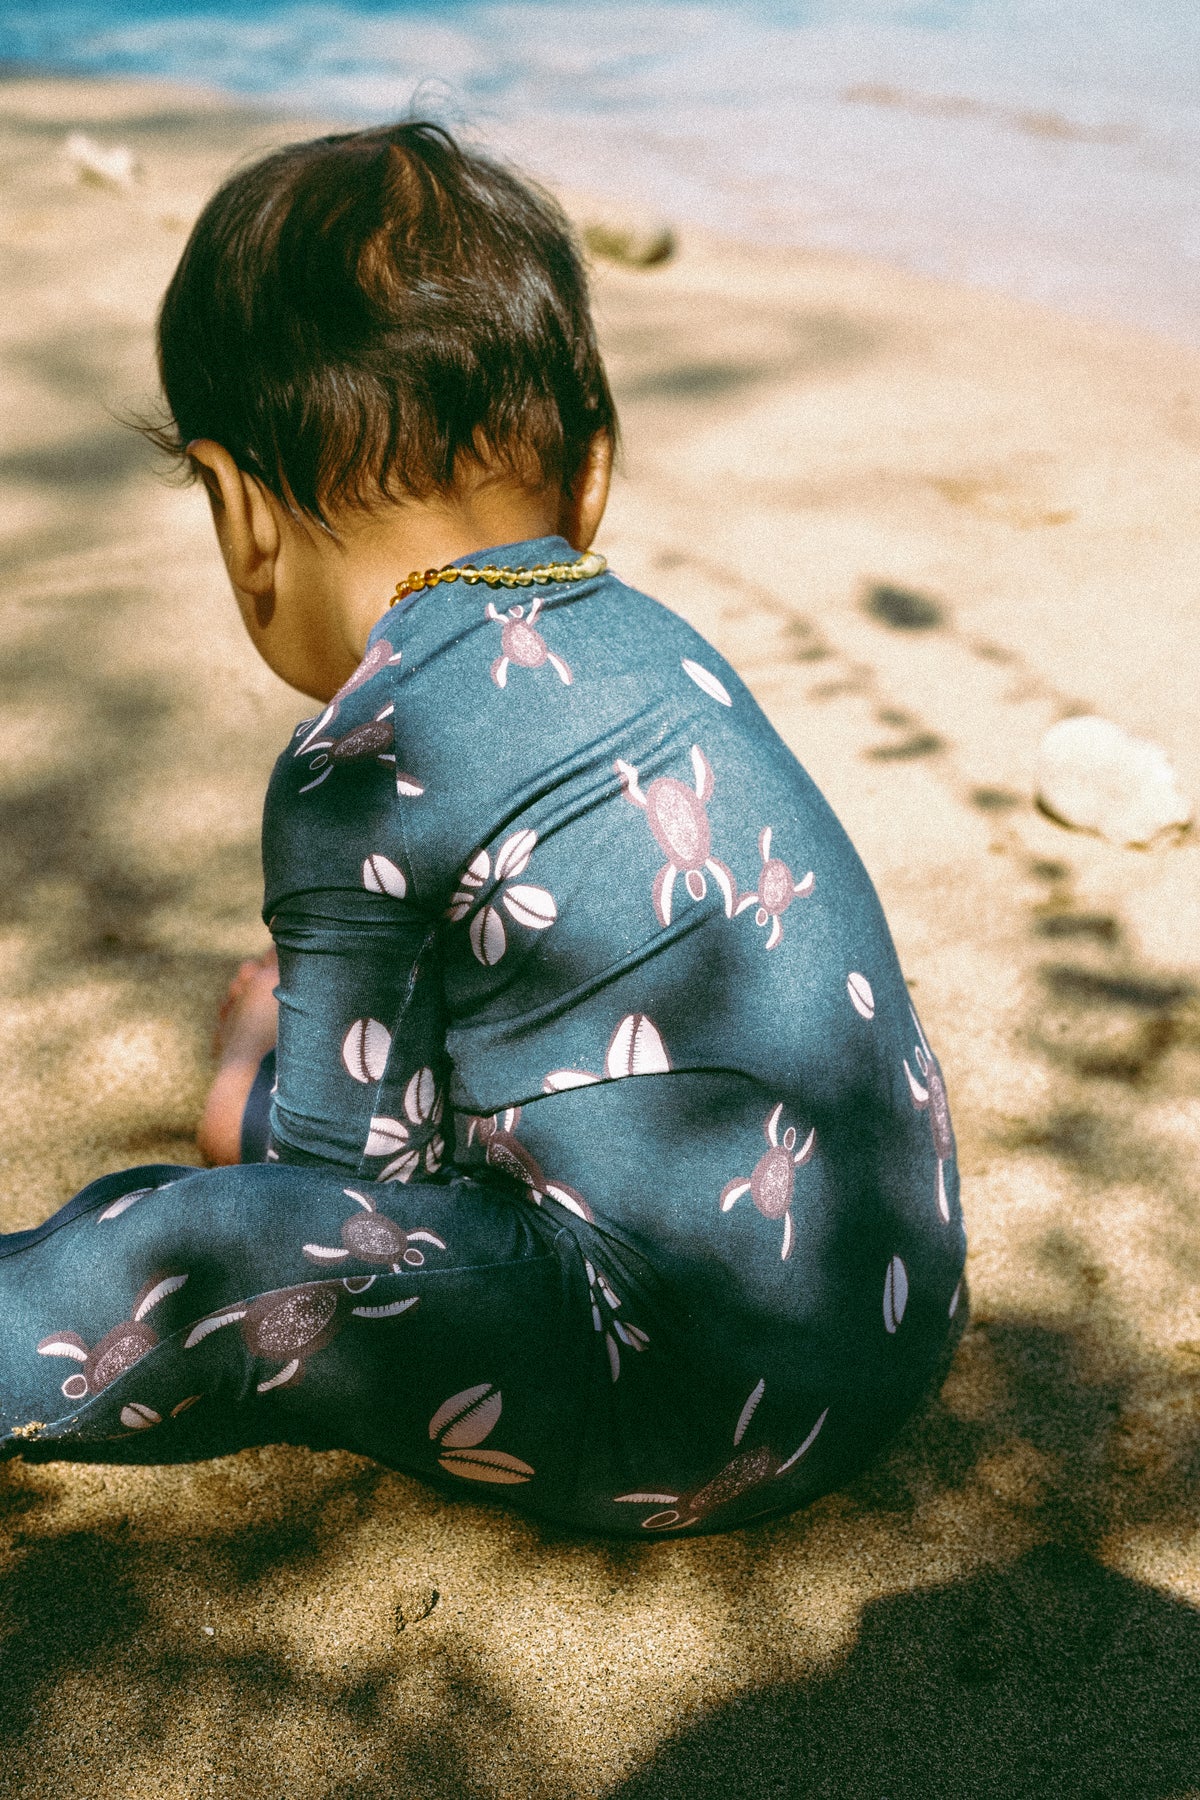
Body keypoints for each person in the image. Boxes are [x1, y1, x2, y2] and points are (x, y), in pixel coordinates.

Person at [0, 121, 965, 1534]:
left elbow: (344, 1197)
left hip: (671, 1403)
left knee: (195, 1240)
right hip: (883, 1335)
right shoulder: (667, 649)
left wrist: (257, 1120)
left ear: (241, 517)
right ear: (592, 473)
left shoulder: (365, 750)